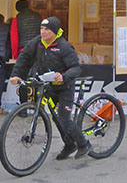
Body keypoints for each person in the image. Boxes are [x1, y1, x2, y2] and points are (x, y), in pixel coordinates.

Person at [10, 17, 91, 160]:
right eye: (41, 28)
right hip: (48, 86)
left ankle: (84, 144)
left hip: (64, 86)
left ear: (54, 31)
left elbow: (76, 68)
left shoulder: (64, 46)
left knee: (64, 118)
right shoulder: (37, 43)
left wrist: (63, 76)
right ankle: (69, 144)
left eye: (46, 29)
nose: (43, 31)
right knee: (56, 118)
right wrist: (16, 75)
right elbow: (24, 58)